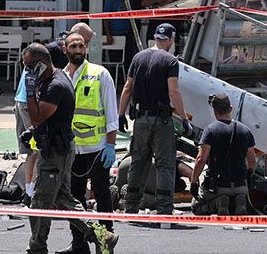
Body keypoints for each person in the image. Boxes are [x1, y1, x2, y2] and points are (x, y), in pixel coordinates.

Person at [21, 43, 118, 254]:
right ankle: (102, 235)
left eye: (30, 66)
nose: (27, 71)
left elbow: (38, 117)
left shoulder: (55, 85)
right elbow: (46, 118)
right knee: (63, 198)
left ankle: (37, 248)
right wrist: (33, 130)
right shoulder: (52, 79)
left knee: (41, 202)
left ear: (41, 64)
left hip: (56, 152)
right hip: (58, 149)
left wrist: (29, 93)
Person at [118, 23, 192, 216]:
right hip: (161, 122)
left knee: (138, 163)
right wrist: (184, 119)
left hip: (140, 120)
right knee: (165, 164)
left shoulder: (138, 57)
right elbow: (173, 91)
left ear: (155, 37)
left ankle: (130, 206)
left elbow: (127, 87)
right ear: (171, 39)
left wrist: (121, 114)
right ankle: (164, 209)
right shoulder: (170, 61)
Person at [57, 32, 119, 254]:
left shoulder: (100, 74)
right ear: (65, 49)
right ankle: (78, 244)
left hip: (98, 148)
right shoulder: (61, 76)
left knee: (102, 194)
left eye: (81, 46)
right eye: (73, 46)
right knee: (75, 197)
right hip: (72, 149)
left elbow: (111, 113)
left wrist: (111, 145)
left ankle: (106, 240)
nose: (78, 50)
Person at [190, 93, 256, 215]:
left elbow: (201, 159)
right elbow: (252, 161)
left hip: (217, 186)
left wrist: (193, 182)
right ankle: (238, 200)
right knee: (236, 198)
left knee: (196, 207)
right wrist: (246, 179)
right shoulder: (246, 131)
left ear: (215, 112)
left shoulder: (210, 130)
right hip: (240, 185)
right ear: (231, 108)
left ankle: (218, 202)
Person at [14, 69, 38, 207]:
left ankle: (28, 192)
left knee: (31, 152)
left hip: (21, 101)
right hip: (29, 103)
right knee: (38, 151)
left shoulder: (31, 60)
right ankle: (31, 193)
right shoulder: (43, 59)